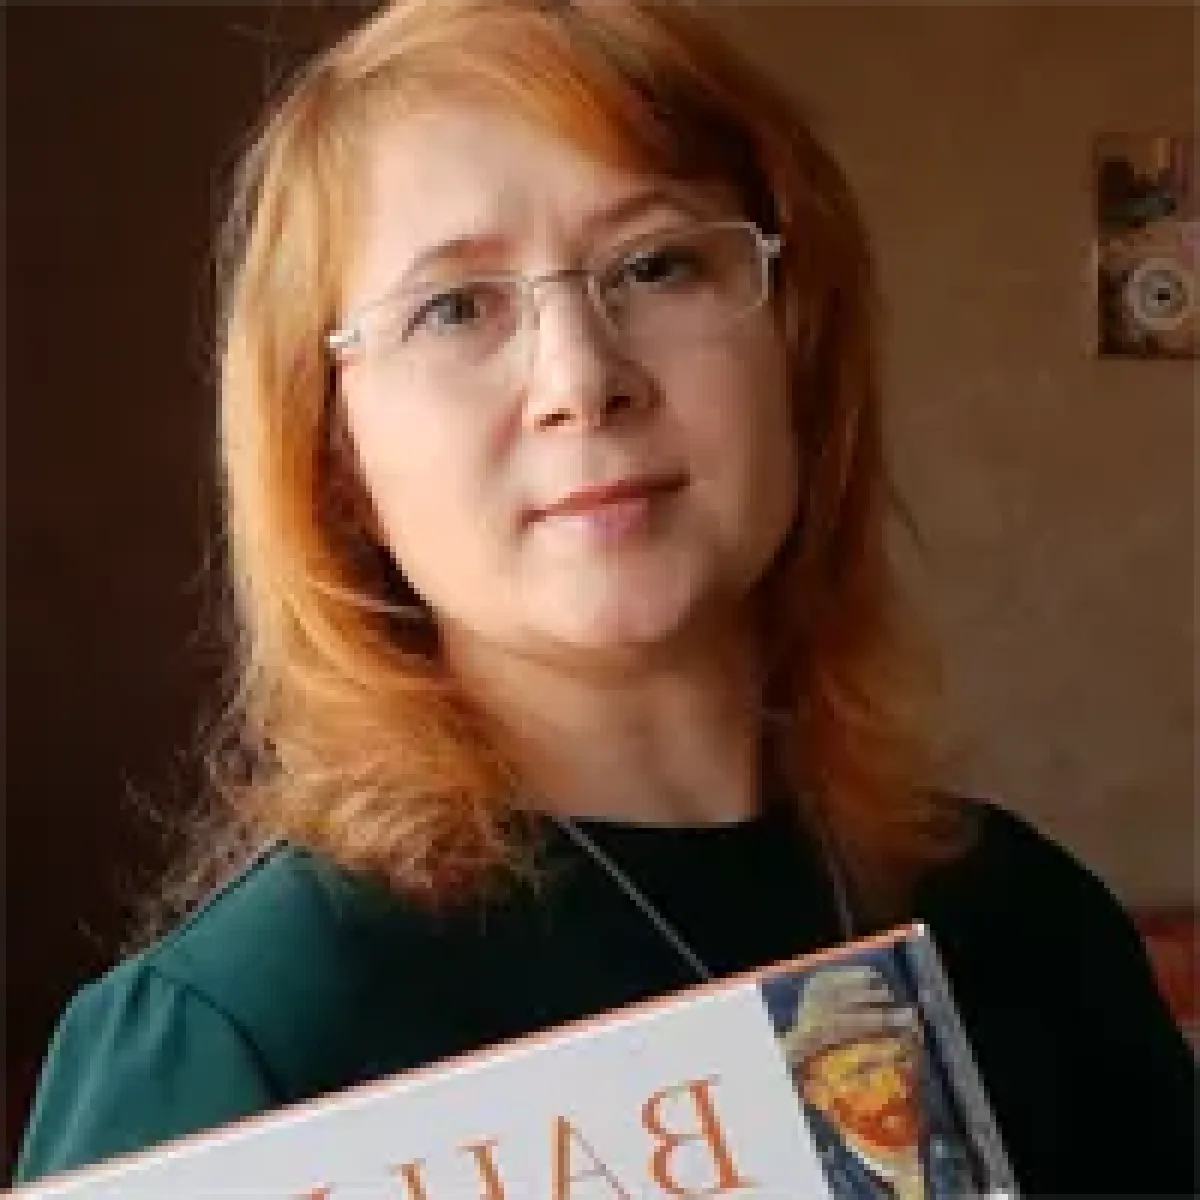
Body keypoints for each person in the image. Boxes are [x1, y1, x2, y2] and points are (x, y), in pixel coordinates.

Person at [13, 0, 1198, 1194]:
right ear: (337, 457)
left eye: (657, 264)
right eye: (455, 307)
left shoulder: (1034, 930)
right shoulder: (240, 1044)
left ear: (798, 348)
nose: (581, 379)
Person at [779, 963, 979, 1198]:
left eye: (902, 1060)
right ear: (815, 1092)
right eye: (863, 1072)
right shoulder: (811, 1186)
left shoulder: (969, 1153)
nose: (898, 1088)